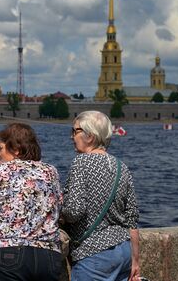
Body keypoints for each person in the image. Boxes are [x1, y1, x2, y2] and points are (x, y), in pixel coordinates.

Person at [0, 123, 63, 281]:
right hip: (48, 255)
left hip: (9, 252)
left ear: (16, 149)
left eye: (0, 148)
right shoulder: (50, 171)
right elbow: (59, 208)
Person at [62, 111, 140, 281]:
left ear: (89, 136)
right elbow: (132, 218)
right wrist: (135, 260)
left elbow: (74, 211)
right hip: (123, 252)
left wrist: (58, 209)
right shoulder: (122, 167)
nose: (72, 137)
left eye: (75, 131)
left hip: (93, 255)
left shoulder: (81, 163)